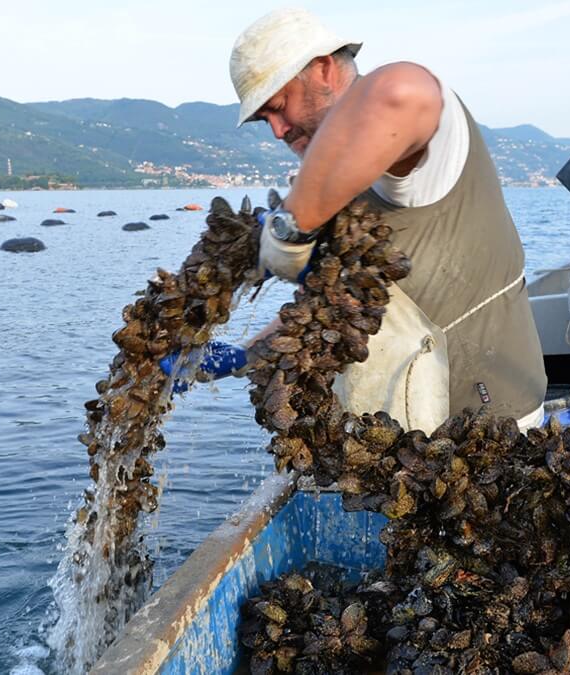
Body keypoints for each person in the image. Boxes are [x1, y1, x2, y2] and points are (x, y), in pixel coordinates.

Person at [169, 7, 547, 431]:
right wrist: (247, 354)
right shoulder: (335, 178)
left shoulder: (420, 129)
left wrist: (289, 228)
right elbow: (331, 310)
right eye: (264, 120)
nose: (277, 131)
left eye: (278, 106)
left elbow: (401, 90)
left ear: (325, 68)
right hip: (390, 439)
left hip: (485, 424)